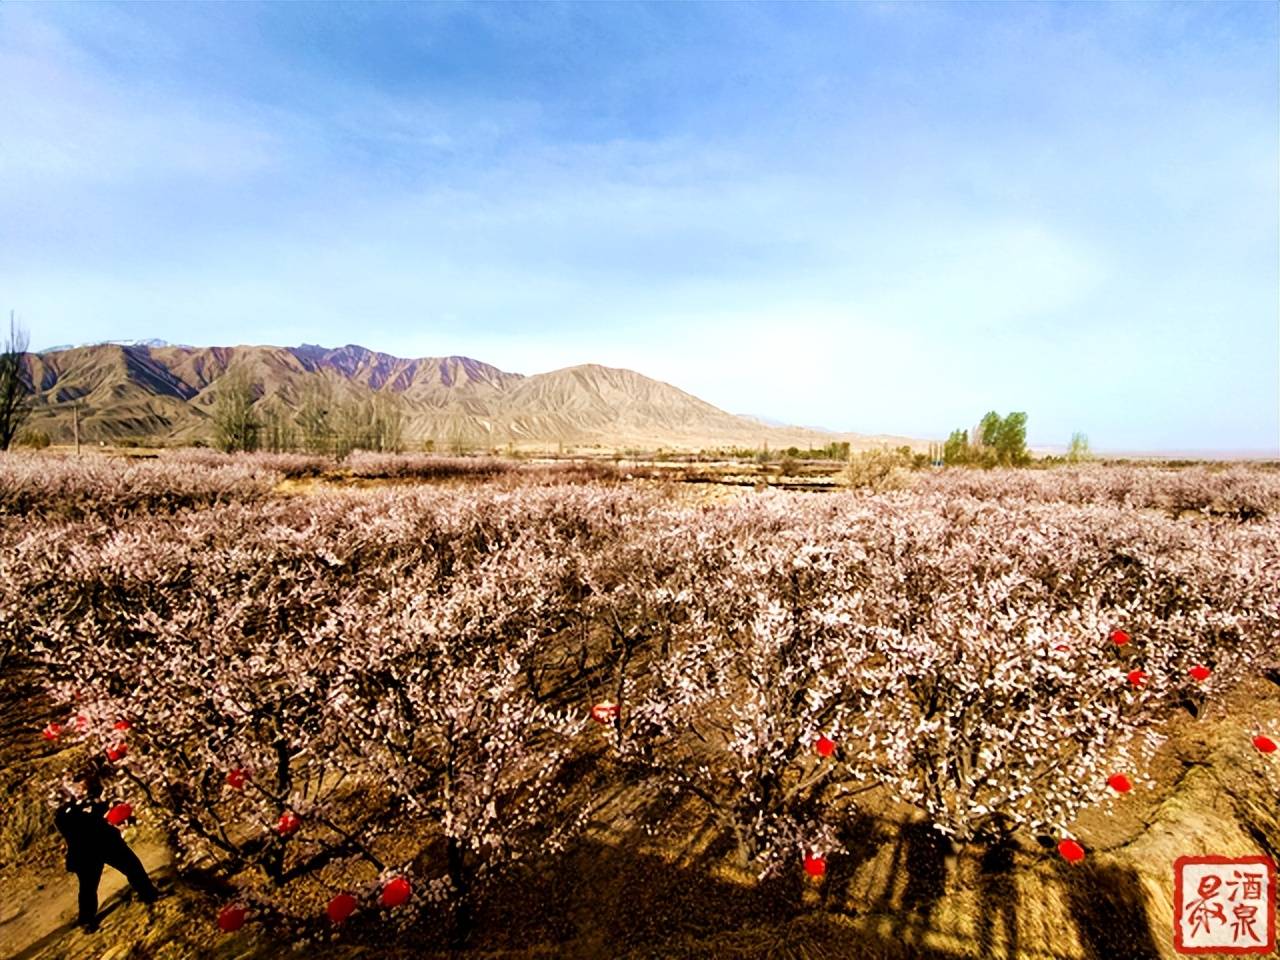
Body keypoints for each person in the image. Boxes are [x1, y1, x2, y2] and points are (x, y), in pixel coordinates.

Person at [54, 762, 160, 934]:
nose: (82, 787)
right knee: (88, 887)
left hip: (108, 843)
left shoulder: (100, 795)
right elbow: (64, 825)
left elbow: (114, 810)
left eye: (84, 782)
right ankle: (87, 920)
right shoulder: (66, 809)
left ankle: (149, 894)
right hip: (85, 851)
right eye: (78, 784)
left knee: (133, 866)